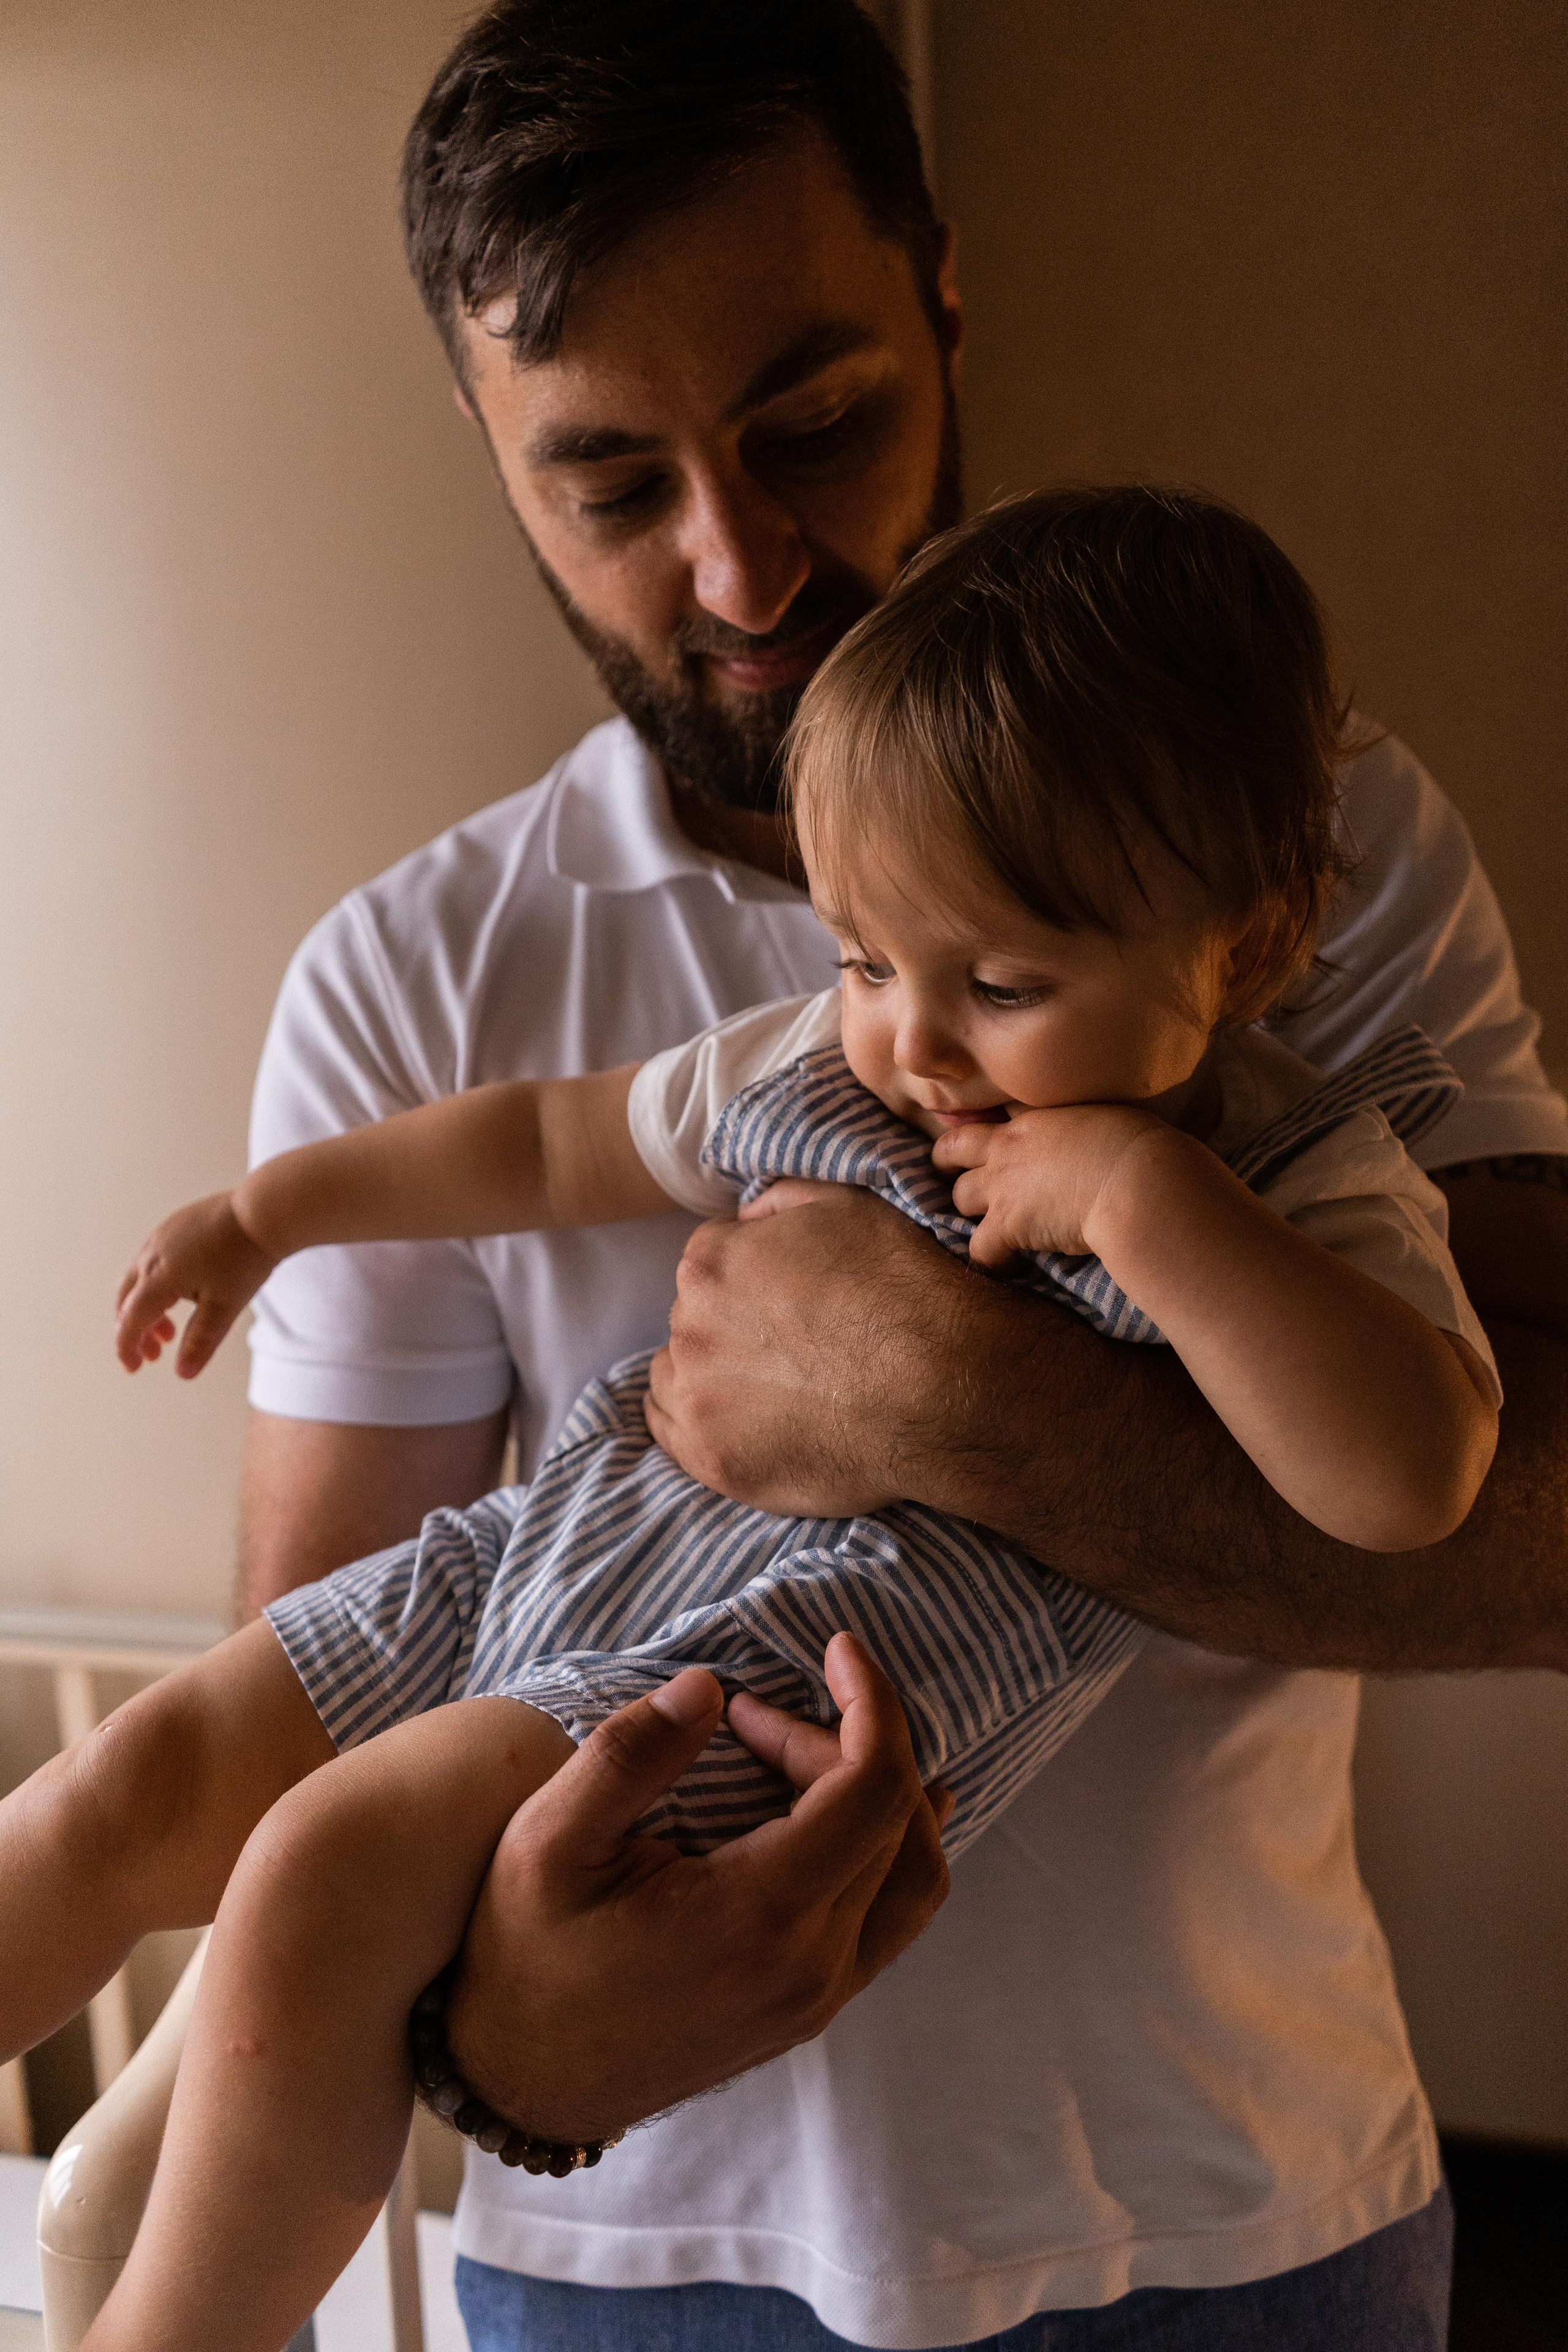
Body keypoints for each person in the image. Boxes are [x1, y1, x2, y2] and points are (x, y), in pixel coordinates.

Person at [216, 3, 1568, 2347]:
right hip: (637, 2268)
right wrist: (516, 2054)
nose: (743, 571)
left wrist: (952, 1394)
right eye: (611, 485)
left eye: (813, 423)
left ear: (943, 304)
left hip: (1245, 2221)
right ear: (490, 445)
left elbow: (1537, 1539)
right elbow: (312, 1738)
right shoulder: (411, 982)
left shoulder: (1305, 845)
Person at [7, 487, 1502, 2352]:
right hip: (564, 1541)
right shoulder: (824, 1056)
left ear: (1249, 945)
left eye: (1006, 985)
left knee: (320, 1873)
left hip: (767, 1672)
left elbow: (1411, 1479)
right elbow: (544, 1140)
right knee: (126, 1782)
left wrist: (1145, 1205)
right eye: (869, 958)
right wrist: (267, 1215)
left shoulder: (1309, 1182)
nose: (915, 1042)